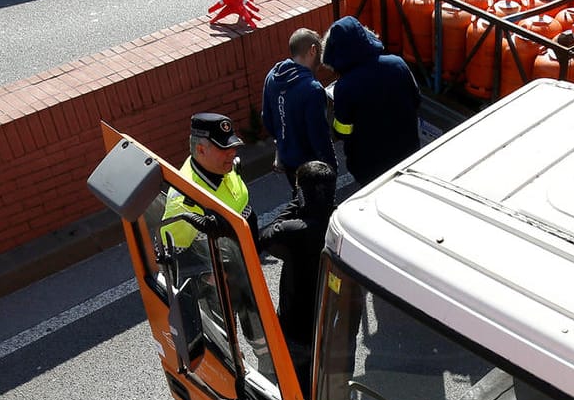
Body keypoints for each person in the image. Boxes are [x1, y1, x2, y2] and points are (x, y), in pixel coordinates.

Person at [254, 160, 336, 373]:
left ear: (301, 193)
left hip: (298, 328)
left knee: (296, 382)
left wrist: (295, 204)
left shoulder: (293, 231)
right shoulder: (341, 223)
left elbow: (266, 236)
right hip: (333, 326)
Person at [322, 15, 422, 187]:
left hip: (370, 168)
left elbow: (343, 131)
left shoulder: (344, 87)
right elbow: (416, 101)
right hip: (408, 155)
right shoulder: (397, 64)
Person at [161, 112, 252, 253]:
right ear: (200, 150)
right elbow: (174, 256)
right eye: (224, 148)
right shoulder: (183, 200)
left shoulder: (222, 165)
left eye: (233, 146)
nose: (232, 153)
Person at [263, 29, 336, 192]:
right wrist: (331, 167)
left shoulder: (272, 77)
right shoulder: (312, 89)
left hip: (289, 161)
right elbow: (319, 136)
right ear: (313, 50)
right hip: (312, 166)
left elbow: (267, 118)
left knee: (299, 199)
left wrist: (282, 143)